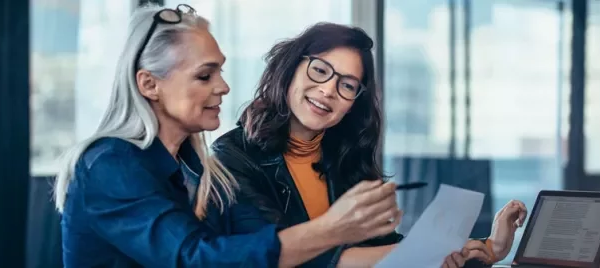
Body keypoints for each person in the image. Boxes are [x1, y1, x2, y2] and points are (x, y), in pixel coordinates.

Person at [54, 5, 401, 268]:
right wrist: (332, 228)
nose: (223, 87)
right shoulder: (110, 163)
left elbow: (249, 251)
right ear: (149, 84)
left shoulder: (199, 170)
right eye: (205, 76)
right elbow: (196, 259)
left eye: (219, 71)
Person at [211, 22, 529, 268]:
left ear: (354, 101)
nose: (327, 90)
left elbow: (382, 248)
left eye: (347, 85)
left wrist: (486, 248)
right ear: (291, 68)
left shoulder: (345, 156)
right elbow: (285, 256)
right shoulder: (233, 157)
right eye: (320, 70)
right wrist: (419, 252)